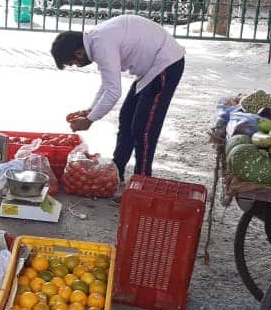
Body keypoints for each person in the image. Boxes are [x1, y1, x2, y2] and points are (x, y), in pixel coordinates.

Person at [50, 14, 185, 184]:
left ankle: (142, 184)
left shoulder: (101, 45)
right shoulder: (96, 40)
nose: (77, 66)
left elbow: (113, 91)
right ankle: (117, 171)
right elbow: (107, 84)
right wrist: (90, 110)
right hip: (150, 70)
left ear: (78, 53)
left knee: (143, 129)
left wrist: (90, 120)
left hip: (166, 64)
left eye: (73, 63)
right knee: (127, 117)